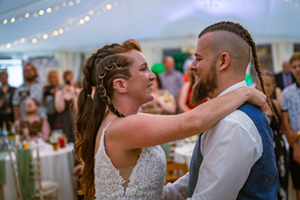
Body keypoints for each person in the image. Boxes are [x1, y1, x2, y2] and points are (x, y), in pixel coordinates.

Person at [73, 39, 266, 200]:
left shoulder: (125, 122)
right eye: (143, 69)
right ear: (121, 85)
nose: (152, 76)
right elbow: (191, 122)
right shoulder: (122, 127)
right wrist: (243, 92)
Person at [164, 21, 279, 200]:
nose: (192, 66)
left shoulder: (234, 124)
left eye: (199, 58)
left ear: (223, 61)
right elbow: (203, 173)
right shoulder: (226, 114)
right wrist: (166, 194)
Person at [256, 70, 289, 200]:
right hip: (262, 151)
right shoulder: (253, 106)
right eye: (262, 83)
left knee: (282, 183)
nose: (265, 87)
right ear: (256, 85)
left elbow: (283, 126)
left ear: (274, 86)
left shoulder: (276, 104)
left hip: (279, 150)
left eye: (268, 84)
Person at [281, 52, 300, 200]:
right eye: (294, 67)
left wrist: (298, 133)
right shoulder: (287, 93)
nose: (297, 69)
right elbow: (285, 122)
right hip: (296, 148)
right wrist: (296, 147)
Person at [55, 70, 80, 143]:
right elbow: (59, 109)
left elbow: (77, 109)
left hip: (76, 119)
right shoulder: (59, 92)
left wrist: (74, 94)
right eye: (66, 79)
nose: (69, 80)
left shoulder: (78, 91)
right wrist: (63, 93)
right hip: (64, 121)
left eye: (71, 78)